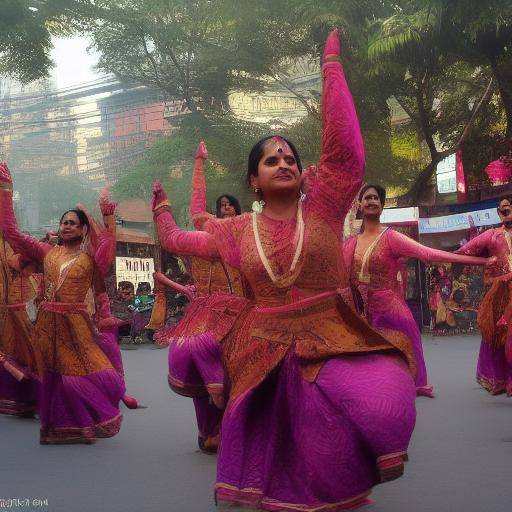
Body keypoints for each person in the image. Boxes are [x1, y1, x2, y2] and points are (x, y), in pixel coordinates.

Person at [151, 31, 418, 510]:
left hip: (331, 332)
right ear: (253, 179)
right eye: (271, 160)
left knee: (375, 408)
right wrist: (161, 209)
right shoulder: (234, 230)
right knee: (283, 439)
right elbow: (176, 240)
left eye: (290, 158)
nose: (283, 163)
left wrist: (332, 69)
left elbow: (346, 157)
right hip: (265, 344)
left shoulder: (325, 207)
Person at [0, 165, 125, 444]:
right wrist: (6, 190)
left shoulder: (90, 259)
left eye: (72, 223)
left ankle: (87, 418)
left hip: (77, 327)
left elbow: (107, 251)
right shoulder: (47, 254)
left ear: (83, 230)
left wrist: (108, 218)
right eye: (63, 222)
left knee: (82, 375)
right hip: (46, 326)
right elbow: (11, 232)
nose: (66, 226)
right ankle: (62, 428)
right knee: (53, 377)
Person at [343, 185, 488, 397]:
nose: (371, 201)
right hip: (362, 314)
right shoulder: (350, 244)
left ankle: (414, 385)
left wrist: (478, 260)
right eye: (367, 198)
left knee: (405, 361)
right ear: (360, 204)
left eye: (375, 198)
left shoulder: (391, 237)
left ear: (382, 206)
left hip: (391, 312)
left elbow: (427, 254)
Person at [153, 140, 247, 453]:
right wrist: (197, 164)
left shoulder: (250, 237)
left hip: (245, 313)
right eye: (220, 209)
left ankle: (232, 428)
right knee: (203, 371)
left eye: (230, 207)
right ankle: (210, 430)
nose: (225, 211)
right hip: (208, 314)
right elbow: (186, 220)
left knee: (242, 372)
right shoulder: (209, 240)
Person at [454, 195, 512, 395]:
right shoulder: (491, 235)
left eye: (509, 206)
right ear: (498, 213)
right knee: (496, 336)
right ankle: (498, 379)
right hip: (499, 293)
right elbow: (465, 250)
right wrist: (484, 262)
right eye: (503, 207)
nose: (506, 209)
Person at [0, 234, 40, 417]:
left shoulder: (11, 242)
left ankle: (26, 399)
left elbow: (21, 266)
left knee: (21, 353)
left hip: (16, 311)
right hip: (13, 309)